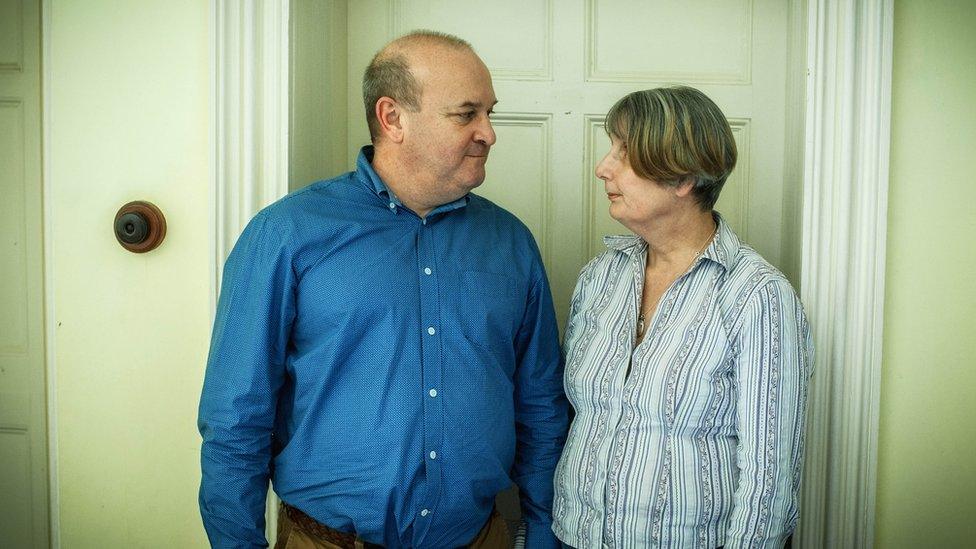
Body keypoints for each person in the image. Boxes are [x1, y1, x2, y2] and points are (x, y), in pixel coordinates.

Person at [198, 31, 568, 549]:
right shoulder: (287, 234)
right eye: (466, 114)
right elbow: (236, 418)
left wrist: (545, 531)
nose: (489, 133)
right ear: (392, 118)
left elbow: (541, 405)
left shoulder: (510, 243)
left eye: (490, 113)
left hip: (482, 537)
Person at [551, 87, 814, 548]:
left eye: (625, 153)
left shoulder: (757, 296)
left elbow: (768, 482)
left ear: (683, 177)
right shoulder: (600, 278)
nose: (603, 168)